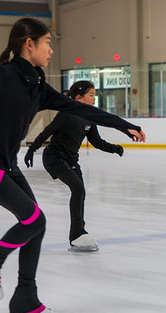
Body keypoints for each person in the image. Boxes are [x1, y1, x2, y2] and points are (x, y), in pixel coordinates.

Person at [0, 17, 145, 313]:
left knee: (36, 224)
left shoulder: (38, 87)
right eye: (46, 43)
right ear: (28, 44)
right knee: (34, 219)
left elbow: (84, 110)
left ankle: (24, 301)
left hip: (7, 165)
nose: (50, 51)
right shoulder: (4, 75)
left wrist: (122, 124)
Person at [24, 80, 125, 252]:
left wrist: (114, 148)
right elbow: (47, 132)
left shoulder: (90, 117)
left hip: (71, 160)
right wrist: (31, 150)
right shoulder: (66, 114)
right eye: (91, 95)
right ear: (79, 97)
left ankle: (78, 234)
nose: (94, 99)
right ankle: (77, 233)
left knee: (81, 192)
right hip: (54, 158)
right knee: (78, 189)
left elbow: (96, 141)